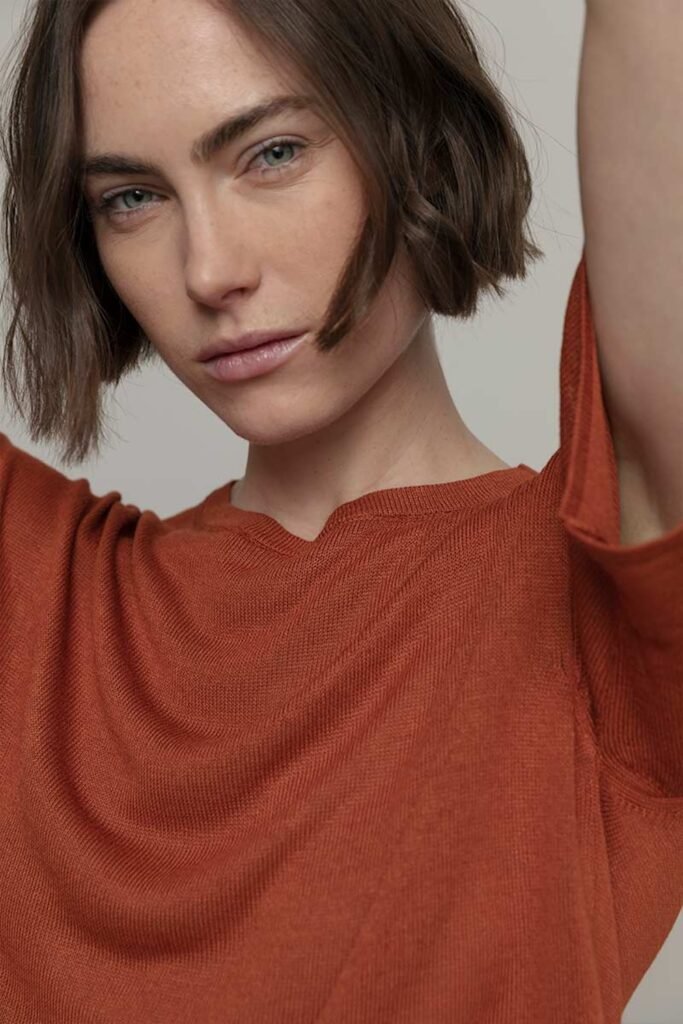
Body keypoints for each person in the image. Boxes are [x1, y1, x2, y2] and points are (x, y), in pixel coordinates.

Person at [0, 1, 680, 1022]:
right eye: (132, 197)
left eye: (272, 153)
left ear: (418, 138)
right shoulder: (35, 594)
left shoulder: (603, 613)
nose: (209, 271)